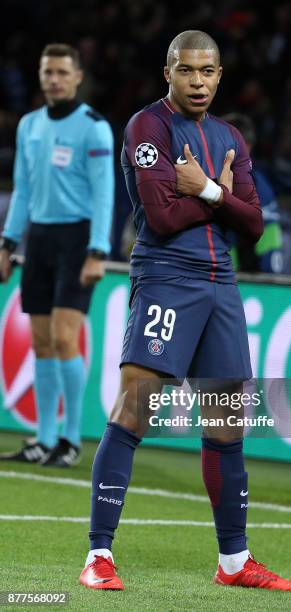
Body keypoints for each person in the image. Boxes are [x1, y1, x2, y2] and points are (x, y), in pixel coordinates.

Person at [79, 31, 291, 592]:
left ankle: (234, 561)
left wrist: (205, 191)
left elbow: (253, 225)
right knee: (134, 410)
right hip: (166, 280)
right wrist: (223, 199)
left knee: (228, 425)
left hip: (221, 286)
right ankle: (99, 556)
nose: (198, 81)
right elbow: (158, 218)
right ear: (169, 73)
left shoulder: (229, 136)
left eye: (208, 72)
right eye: (187, 71)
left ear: (220, 76)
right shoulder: (146, 128)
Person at [0, 44, 114, 467]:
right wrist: (7, 244)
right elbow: (23, 191)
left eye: (63, 72)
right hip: (40, 239)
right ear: (41, 75)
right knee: (43, 343)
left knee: (66, 339)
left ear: (78, 77)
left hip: (78, 239)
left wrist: (97, 250)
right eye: (48, 72)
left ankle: (70, 439)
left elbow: (105, 195)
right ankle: (43, 439)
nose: (54, 79)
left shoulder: (94, 128)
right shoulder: (29, 125)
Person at [222, 113, 283, 274]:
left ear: (245, 147)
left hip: (243, 288)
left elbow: (269, 259)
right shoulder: (203, 180)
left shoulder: (261, 191)